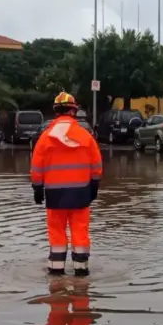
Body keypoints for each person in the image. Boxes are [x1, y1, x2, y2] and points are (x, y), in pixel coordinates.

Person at [30, 92, 103, 276]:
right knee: (80, 231)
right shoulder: (85, 136)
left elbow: (37, 167)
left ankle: (56, 273)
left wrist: (38, 189)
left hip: (55, 195)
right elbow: (97, 165)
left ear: (56, 112)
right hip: (80, 194)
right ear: (73, 111)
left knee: (57, 233)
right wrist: (94, 186)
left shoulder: (45, 138)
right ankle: (81, 272)